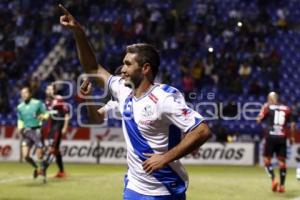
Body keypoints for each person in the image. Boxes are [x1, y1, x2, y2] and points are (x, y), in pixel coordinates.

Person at [59, 4, 211, 200]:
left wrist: (165, 158)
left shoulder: (164, 97)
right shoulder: (123, 90)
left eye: (128, 64)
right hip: (133, 188)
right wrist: (78, 32)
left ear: (145, 68)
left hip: (165, 190)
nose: (122, 69)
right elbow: (93, 68)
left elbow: (202, 131)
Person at [256, 91, 296, 193]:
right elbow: (292, 125)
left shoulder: (267, 107)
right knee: (282, 162)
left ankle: (274, 180)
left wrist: (262, 110)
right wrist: (291, 137)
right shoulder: (287, 109)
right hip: (282, 137)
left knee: (266, 160)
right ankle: (282, 186)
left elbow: (258, 120)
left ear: (271, 99)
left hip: (270, 136)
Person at [17, 86, 49, 182]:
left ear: (30, 93)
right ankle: (37, 168)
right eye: (22, 93)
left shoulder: (37, 103)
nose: (23, 94)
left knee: (40, 153)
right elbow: (20, 119)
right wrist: (19, 128)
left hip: (36, 130)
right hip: (26, 132)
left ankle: (43, 173)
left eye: (25, 92)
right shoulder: (19, 107)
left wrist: (43, 117)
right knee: (25, 156)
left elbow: (46, 113)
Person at [44, 83, 70, 178]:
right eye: (47, 89)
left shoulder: (59, 99)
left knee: (52, 148)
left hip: (58, 127)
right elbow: (48, 116)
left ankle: (43, 169)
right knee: (56, 150)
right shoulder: (47, 102)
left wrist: (65, 127)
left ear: (54, 90)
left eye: (50, 89)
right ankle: (62, 172)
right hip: (51, 128)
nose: (48, 90)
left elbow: (66, 113)